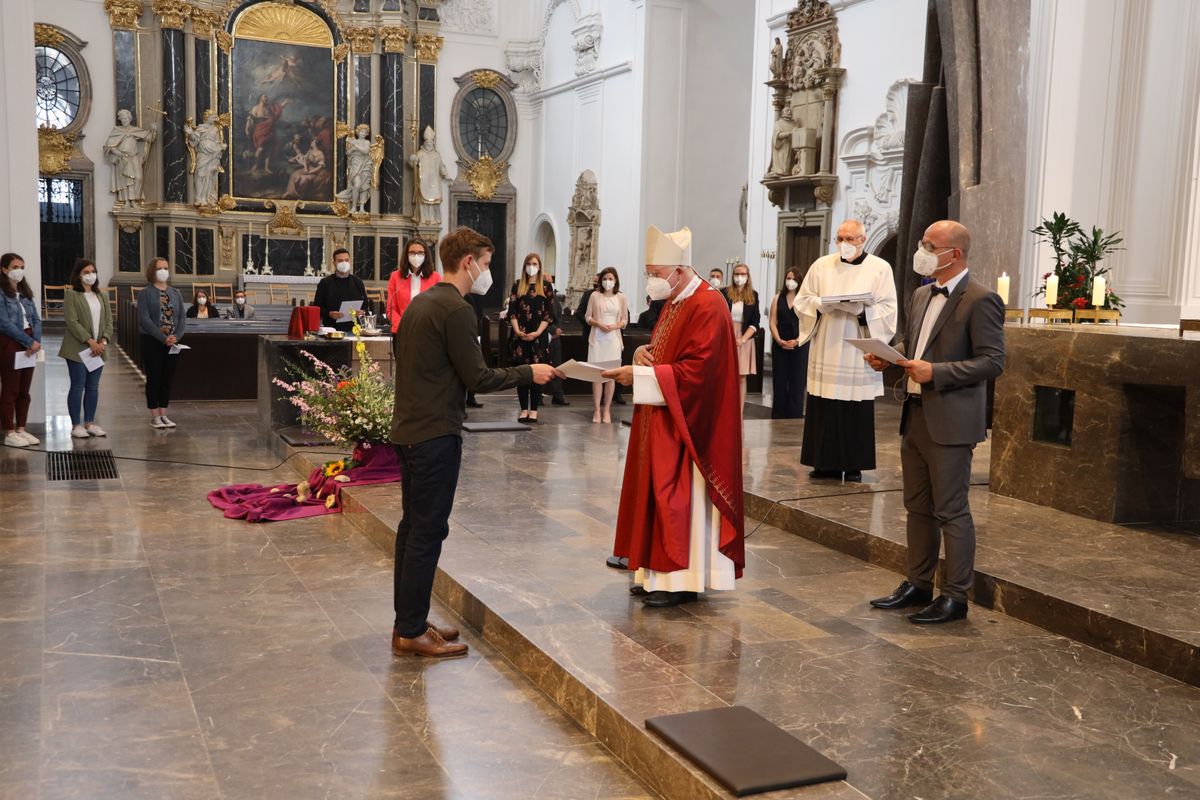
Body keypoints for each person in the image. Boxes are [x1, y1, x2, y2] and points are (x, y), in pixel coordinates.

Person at [390, 226, 559, 657]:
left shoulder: (421, 302)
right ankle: (410, 631)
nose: (487, 272)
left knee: (412, 529)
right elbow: (478, 378)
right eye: (485, 264)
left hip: (410, 429)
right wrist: (530, 372)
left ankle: (409, 619)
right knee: (427, 532)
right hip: (434, 434)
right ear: (468, 262)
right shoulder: (456, 309)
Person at [866, 220, 1005, 624]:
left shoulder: (981, 299)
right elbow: (916, 344)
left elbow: (993, 361)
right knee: (917, 507)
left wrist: (937, 373)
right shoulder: (921, 293)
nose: (921, 251)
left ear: (954, 254)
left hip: (952, 421)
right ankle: (918, 583)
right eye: (922, 243)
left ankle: (956, 597)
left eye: (929, 245)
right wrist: (889, 356)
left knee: (951, 510)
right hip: (915, 415)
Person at [602, 225, 745, 608]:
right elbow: (667, 351)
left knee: (680, 499)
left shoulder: (709, 304)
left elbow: (699, 372)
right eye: (649, 272)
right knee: (657, 495)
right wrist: (641, 355)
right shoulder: (677, 299)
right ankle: (655, 574)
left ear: (680, 271)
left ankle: (683, 579)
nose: (651, 280)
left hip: (692, 426)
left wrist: (641, 377)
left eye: (656, 273)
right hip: (664, 415)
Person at [795, 219, 897, 482]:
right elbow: (802, 300)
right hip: (827, 344)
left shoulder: (880, 268)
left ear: (862, 239)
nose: (844, 244)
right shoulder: (822, 265)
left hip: (857, 348)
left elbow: (889, 310)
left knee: (854, 406)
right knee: (824, 404)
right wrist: (820, 304)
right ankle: (823, 463)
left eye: (850, 239)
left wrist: (862, 311)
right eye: (839, 239)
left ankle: (853, 465)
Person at [58, 258, 113, 439]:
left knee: (93, 387)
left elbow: (108, 321)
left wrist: (103, 342)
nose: (91, 275)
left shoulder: (101, 295)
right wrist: (90, 342)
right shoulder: (72, 294)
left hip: (98, 349)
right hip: (78, 349)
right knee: (78, 386)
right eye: (86, 272)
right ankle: (76, 425)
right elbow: (72, 322)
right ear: (78, 275)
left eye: (93, 272)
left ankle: (89, 423)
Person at [135, 258, 185, 428]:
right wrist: (163, 338)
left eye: (166, 268)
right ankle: (155, 415)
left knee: (167, 379)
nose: (163, 271)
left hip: (172, 343)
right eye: (160, 268)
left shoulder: (175, 293)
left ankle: (164, 413)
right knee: (154, 378)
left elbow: (182, 318)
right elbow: (144, 319)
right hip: (152, 341)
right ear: (152, 271)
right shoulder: (145, 293)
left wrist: (176, 336)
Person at [0, 253, 43, 447]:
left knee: (24, 390)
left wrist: (36, 342)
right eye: (15, 267)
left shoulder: (25, 293)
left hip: (30, 344)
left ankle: (21, 429)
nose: (19, 271)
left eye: (22, 267)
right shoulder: (2, 293)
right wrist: (27, 341)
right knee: (11, 389)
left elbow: (36, 319)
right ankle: (9, 432)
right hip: (11, 342)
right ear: (4, 269)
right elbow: (4, 323)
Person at [508, 253, 554, 423]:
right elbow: (512, 311)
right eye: (528, 263)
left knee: (536, 373)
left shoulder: (546, 286)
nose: (531, 267)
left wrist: (537, 333)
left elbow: (549, 314)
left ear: (539, 266)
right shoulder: (518, 285)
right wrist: (517, 331)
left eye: (534, 264)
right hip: (520, 336)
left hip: (538, 337)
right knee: (522, 374)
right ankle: (523, 409)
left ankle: (534, 409)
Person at [586, 267, 629, 424]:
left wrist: (615, 326)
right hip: (597, 338)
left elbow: (625, 319)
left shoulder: (621, 297)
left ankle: (607, 410)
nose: (607, 281)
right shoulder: (595, 296)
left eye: (610, 279)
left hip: (613, 339)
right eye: (605, 279)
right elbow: (587, 317)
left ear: (615, 280)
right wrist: (598, 323)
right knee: (597, 375)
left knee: (611, 376)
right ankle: (597, 410)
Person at [769, 266, 808, 418]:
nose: (790, 281)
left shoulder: (805, 300)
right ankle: (778, 414)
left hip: (799, 344)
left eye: (793, 279)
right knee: (779, 380)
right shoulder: (777, 298)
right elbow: (772, 322)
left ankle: (795, 415)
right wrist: (779, 340)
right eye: (788, 278)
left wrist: (796, 341)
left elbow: (808, 324)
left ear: (799, 281)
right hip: (780, 344)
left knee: (797, 381)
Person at [721, 263, 760, 412]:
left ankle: (739, 412)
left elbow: (755, 321)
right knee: (725, 376)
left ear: (748, 277)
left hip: (744, 338)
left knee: (741, 377)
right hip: (726, 335)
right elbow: (719, 316)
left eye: (743, 274)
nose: (739, 277)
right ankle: (725, 410)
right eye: (737, 274)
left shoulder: (753, 295)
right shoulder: (724, 292)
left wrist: (742, 339)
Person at [387, 238, 440, 333]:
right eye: (412, 252)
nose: (416, 256)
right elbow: (391, 308)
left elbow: (438, 308)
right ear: (406, 255)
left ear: (426, 255)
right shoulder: (396, 276)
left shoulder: (435, 277)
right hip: (402, 330)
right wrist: (402, 325)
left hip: (427, 331)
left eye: (420, 253)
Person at [103, 109, 156, 204]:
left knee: (138, 177)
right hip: (122, 157)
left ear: (130, 119)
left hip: (133, 157)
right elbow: (107, 146)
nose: (124, 120)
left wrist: (154, 130)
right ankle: (127, 202)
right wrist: (115, 151)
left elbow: (150, 138)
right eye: (122, 119)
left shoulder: (135, 130)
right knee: (125, 180)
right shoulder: (117, 131)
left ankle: (135, 199)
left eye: (126, 118)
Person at [314, 248, 368, 331]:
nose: (344, 263)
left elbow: (365, 305)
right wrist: (329, 313)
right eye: (340, 261)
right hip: (331, 328)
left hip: (354, 328)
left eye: (346, 260)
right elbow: (317, 307)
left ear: (350, 262)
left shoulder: (358, 282)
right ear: (334, 263)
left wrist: (362, 312)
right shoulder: (325, 282)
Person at [545, 274, 569, 406]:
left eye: (551, 282)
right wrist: (552, 330)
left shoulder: (554, 297)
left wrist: (558, 330)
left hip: (555, 338)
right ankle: (538, 396)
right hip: (544, 334)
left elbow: (559, 316)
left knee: (557, 365)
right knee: (541, 364)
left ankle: (558, 395)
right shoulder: (540, 297)